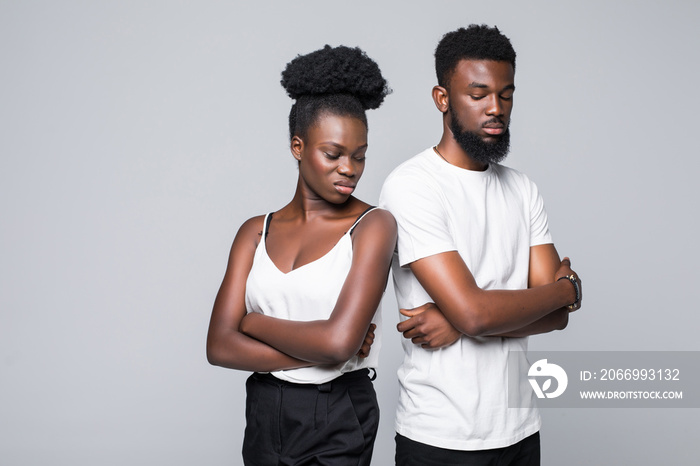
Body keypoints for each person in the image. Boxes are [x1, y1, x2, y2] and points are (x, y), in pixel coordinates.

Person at [379, 25, 583, 465]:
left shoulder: (523, 189)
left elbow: (556, 320)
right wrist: (566, 289)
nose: (496, 108)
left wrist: (465, 322)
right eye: (478, 94)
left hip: (520, 429)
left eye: (506, 94)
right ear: (442, 98)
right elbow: (479, 311)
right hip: (440, 437)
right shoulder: (412, 186)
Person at [207, 45, 395, 466]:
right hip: (265, 409)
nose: (349, 168)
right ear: (298, 146)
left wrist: (252, 323)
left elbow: (338, 342)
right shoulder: (255, 231)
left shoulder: (374, 226)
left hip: (338, 411)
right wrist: (322, 349)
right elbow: (219, 346)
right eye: (333, 154)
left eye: (359, 156)